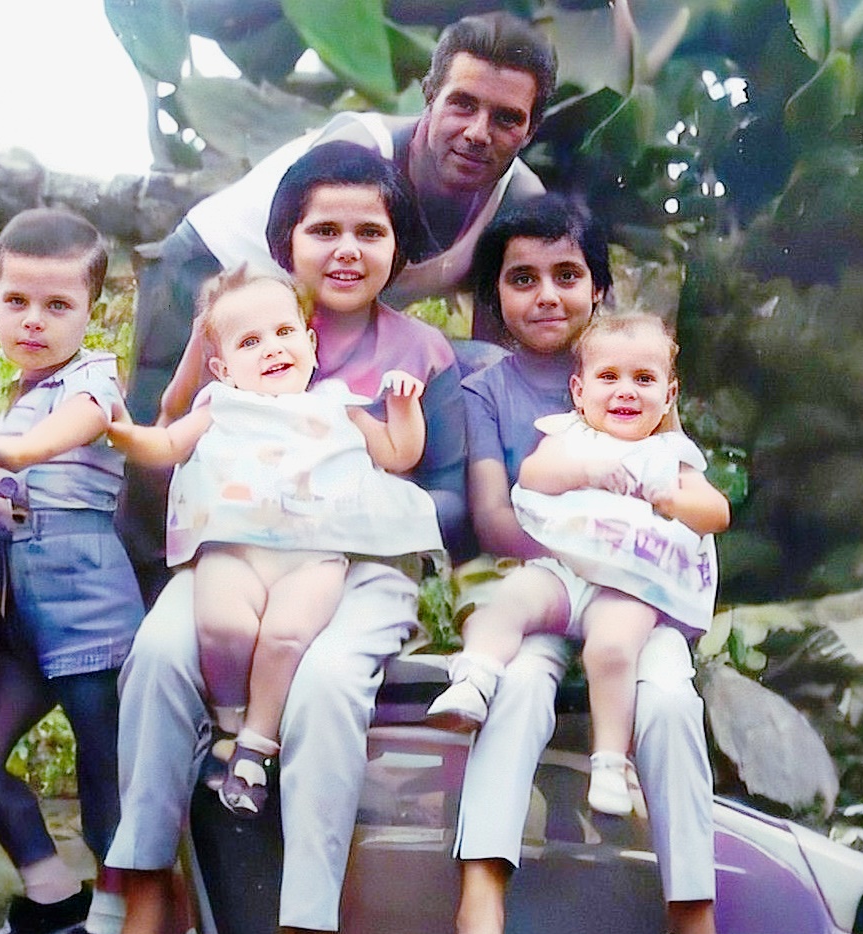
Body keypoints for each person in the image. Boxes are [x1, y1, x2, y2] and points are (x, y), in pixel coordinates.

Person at [76, 142, 464, 934]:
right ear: (284, 242)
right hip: (238, 557)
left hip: (355, 567)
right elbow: (168, 434)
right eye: (320, 229)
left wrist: (347, 483)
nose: (344, 249)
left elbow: (437, 489)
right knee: (162, 651)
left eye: (368, 231)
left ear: (397, 246)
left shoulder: (419, 353)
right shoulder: (244, 326)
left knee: (327, 685)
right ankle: (144, 922)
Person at [442, 195, 750, 934]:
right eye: (521, 278)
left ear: (598, 288)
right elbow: (496, 513)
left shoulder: (640, 379)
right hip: (540, 581)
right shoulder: (485, 389)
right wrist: (579, 568)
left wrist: (635, 574)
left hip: (634, 600)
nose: (545, 295)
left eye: (566, 276)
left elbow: (685, 505)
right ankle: (481, 915)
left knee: (667, 703)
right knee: (513, 690)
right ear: (494, 294)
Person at [120, 12, 557, 597]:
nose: (479, 131)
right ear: (429, 96)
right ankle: (150, 605)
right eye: (462, 104)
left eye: (507, 118)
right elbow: (301, 293)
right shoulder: (361, 154)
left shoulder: (518, 199)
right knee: (168, 445)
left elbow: (502, 370)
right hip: (214, 274)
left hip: (312, 309)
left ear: (530, 130)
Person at [109, 267, 442, 817]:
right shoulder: (220, 404)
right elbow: (167, 444)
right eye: (250, 342)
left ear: (310, 343)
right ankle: (229, 719)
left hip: (312, 555)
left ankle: (252, 749)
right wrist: (124, 432)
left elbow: (397, 454)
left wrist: (403, 408)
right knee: (224, 626)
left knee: (287, 634)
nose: (272, 349)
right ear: (223, 367)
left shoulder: (335, 403)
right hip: (235, 549)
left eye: (285, 333)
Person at [427, 310, 728, 822]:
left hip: (628, 586)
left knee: (613, 649)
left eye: (644, 379)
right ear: (579, 389)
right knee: (509, 600)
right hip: (563, 569)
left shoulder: (670, 455)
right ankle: (474, 677)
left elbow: (715, 513)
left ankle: (611, 760)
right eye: (608, 378)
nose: (626, 392)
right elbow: (535, 474)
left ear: (669, 396)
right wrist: (585, 469)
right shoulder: (569, 436)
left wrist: (673, 501)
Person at [0, 208, 143, 934]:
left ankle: (113, 925)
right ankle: (48, 888)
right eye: (17, 302)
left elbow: (86, 422)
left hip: (90, 609)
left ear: (90, 313)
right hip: (23, 620)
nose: (34, 321)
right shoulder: (18, 397)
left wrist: (12, 451)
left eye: (58, 305)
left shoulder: (87, 379)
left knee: (105, 777)